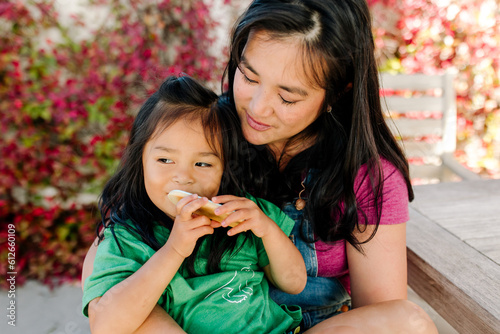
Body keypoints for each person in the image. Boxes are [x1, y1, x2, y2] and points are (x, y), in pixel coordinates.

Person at [83, 0, 439, 333]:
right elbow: (106, 261)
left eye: (287, 96)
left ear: (337, 93)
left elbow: (376, 314)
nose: (257, 108)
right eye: (249, 76)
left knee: (407, 322)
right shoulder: (203, 134)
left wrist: (268, 230)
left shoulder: (365, 176)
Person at [82, 75, 308, 334]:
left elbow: (295, 283)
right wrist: (174, 250)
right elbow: (106, 326)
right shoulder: (127, 238)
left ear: (225, 169)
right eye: (165, 160)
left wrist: (267, 231)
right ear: (140, 160)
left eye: (203, 164)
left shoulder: (244, 214)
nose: (184, 177)